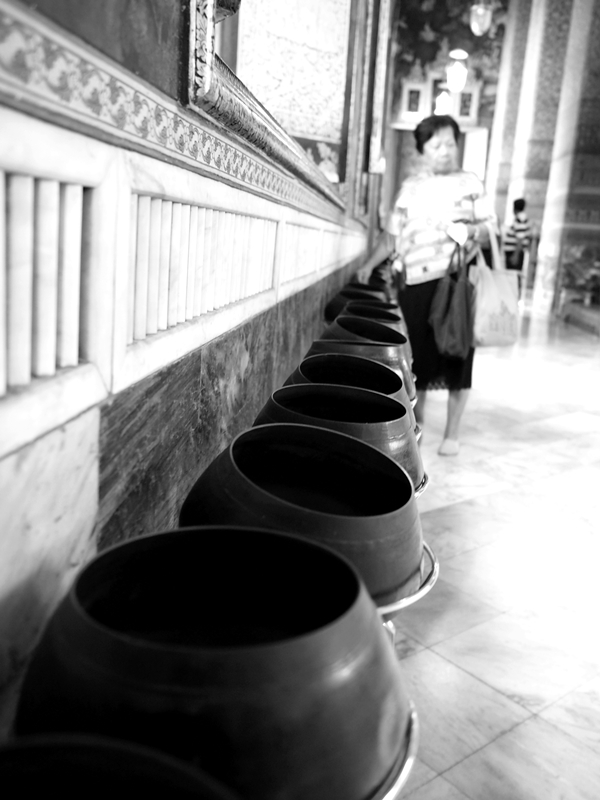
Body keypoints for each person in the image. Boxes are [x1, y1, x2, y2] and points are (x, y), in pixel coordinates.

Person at [361, 114, 496, 456]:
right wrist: (369, 265)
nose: (444, 151)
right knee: (417, 359)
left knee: (457, 356)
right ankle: (416, 424)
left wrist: (470, 230)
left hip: (457, 282)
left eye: (450, 143)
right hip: (416, 283)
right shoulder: (410, 187)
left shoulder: (471, 183)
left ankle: (452, 433)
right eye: (436, 145)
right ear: (422, 150)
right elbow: (392, 236)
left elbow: (491, 228)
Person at [503, 198, 531, 292]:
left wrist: (515, 255)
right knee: (512, 276)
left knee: (513, 276)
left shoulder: (520, 219)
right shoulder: (520, 219)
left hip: (514, 253)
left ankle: (513, 295)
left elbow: (520, 239)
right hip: (514, 252)